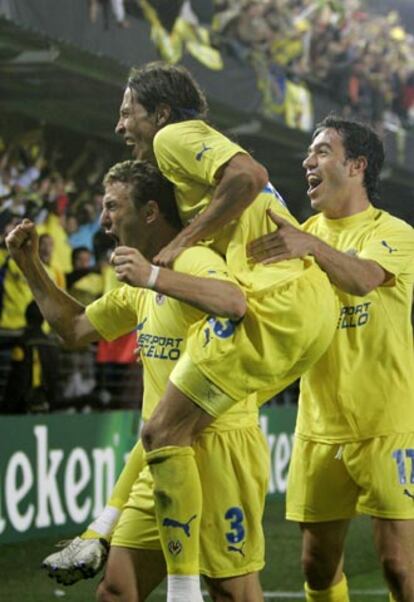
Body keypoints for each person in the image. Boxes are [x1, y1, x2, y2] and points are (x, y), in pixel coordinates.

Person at [113, 61, 338, 601]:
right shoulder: (191, 162)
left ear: (161, 113)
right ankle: (116, 534)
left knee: (162, 432)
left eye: (128, 112)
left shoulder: (174, 137)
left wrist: (174, 250)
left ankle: (182, 589)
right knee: (175, 432)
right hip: (308, 309)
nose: (121, 125)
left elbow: (249, 175)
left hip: (274, 305)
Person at [7, 159, 269, 602]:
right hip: (161, 455)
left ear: (150, 212)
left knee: (231, 591)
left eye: (113, 206)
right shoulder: (137, 285)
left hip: (219, 451)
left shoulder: (194, 259)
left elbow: (233, 300)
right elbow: (73, 329)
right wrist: (30, 264)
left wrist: (153, 276)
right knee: (116, 589)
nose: (104, 218)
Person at [247, 116, 414, 602]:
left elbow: (363, 278)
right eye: (309, 152)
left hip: (388, 422)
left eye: (322, 151)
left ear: (357, 165)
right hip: (319, 424)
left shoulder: (395, 232)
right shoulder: (299, 233)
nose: (308, 161)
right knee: (317, 569)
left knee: (399, 567)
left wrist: (309, 246)